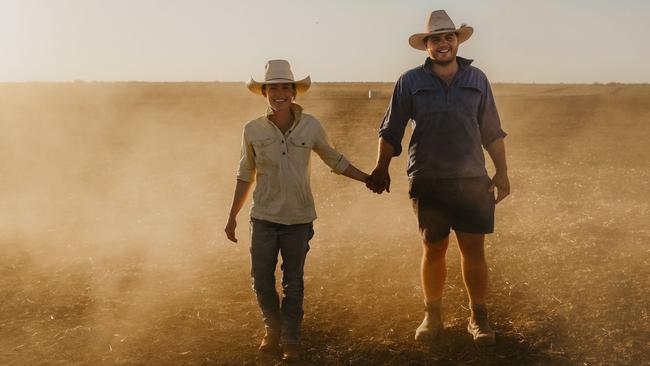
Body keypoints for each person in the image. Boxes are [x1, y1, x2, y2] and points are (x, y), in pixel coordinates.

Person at [366, 10, 510, 346]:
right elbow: (391, 129)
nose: (443, 43)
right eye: (436, 39)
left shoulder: (477, 79)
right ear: (426, 45)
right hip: (428, 177)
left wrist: (502, 171)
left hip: (473, 177)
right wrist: (381, 166)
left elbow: (491, 130)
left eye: (448, 37)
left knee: (474, 250)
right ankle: (432, 314)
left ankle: (479, 316)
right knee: (433, 249)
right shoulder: (411, 82)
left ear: (457, 41)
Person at [225, 60, 368, 362]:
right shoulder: (252, 129)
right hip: (263, 217)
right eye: (273, 87)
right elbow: (244, 173)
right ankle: (271, 330)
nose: (280, 93)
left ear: (294, 91)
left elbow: (334, 159)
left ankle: (290, 338)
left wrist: (368, 178)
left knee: (293, 282)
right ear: (264, 92)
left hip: (298, 219)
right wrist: (232, 216)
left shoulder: (311, 125)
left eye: (285, 87)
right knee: (262, 279)